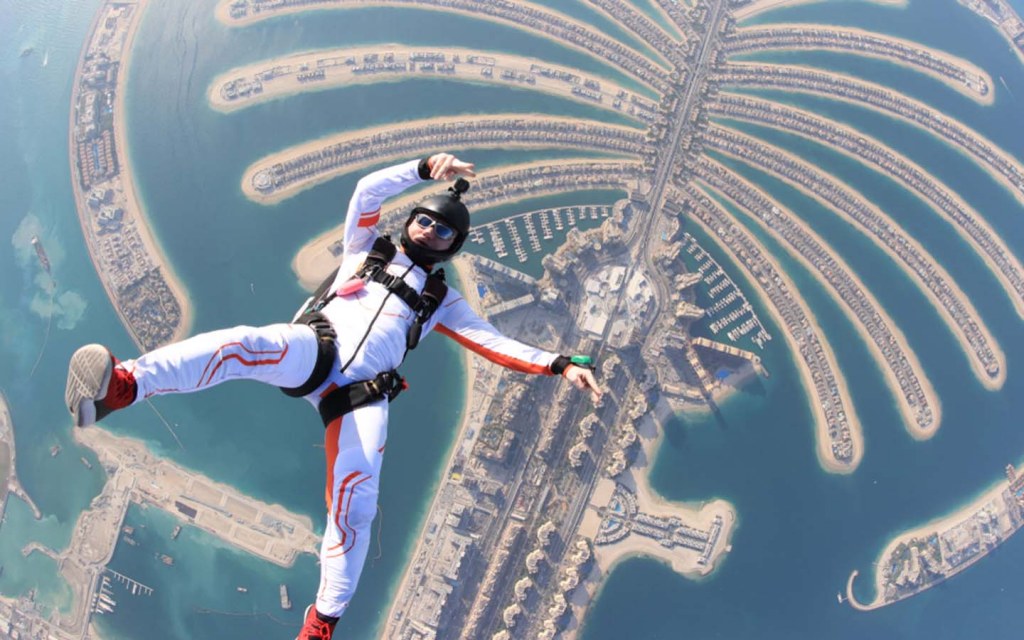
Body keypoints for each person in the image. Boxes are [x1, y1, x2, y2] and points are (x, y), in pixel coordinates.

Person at [64, 153, 602, 640]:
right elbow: (367, 191)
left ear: (453, 246)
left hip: (363, 395)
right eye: (424, 219)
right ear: (410, 220)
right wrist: (421, 169)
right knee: (242, 346)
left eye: (443, 231)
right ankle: (125, 386)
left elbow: (492, 342)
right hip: (317, 351)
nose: (430, 230)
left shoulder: (441, 300)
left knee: (355, 504)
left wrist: (558, 365)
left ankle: (321, 623)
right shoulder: (365, 248)